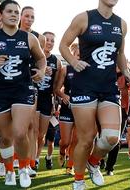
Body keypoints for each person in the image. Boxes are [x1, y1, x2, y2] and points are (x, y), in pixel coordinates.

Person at [59, 0, 130, 190]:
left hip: (109, 86)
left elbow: (120, 54)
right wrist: (74, 61)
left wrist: (128, 72)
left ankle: (93, 163)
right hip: (84, 86)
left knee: (111, 137)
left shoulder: (122, 24)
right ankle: (79, 179)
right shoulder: (83, 18)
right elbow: (64, 45)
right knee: (87, 137)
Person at [0, 0, 46, 188]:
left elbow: (41, 58)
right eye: (10, 11)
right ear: (2, 14)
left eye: (17, 11)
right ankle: (8, 171)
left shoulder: (29, 38)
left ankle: (22, 168)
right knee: (5, 137)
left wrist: (40, 71)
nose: (14, 14)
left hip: (23, 90)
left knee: (20, 132)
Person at [19, 6, 46, 175]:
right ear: (21, 16)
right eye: (26, 16)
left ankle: (28, 163)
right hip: (9, 84)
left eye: (32, 17)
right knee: (10, 127)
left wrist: (42, 71)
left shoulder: (38, 37)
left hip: (30, 83)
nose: (29, 19)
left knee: (30, 125)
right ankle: (6, 161)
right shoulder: (8, 33)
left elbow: (40, 60)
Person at [36, 31, 62, 170]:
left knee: (41, 134)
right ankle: (29, 161)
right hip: (32, 97)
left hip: (47, 99)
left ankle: (35, 158)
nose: (50, 43)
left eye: (53, 40)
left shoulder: (56, 62)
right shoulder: (33, 55)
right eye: (47, 39)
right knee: (32, 132)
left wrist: (54, 104)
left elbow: (56, 86)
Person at [54, 41, 79, 176]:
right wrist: (63, 95)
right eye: (77, 54)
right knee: (66, 141)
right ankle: (62, 150)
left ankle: (70, 166)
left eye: (81, 55)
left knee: (76, 140)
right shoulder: (66, 69)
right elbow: (56, 89)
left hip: (82, 108)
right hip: (67, 107)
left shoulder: (89, 69)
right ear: (72, 55)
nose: (79, 57)